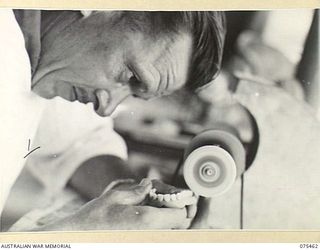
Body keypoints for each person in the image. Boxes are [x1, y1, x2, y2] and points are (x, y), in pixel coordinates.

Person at [0, 9, 226, 230]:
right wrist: (79, 232)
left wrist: (137, 194)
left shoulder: (53, 56)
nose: (106, 109)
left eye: (132, 93)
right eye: (131, 76)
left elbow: (78, 141)